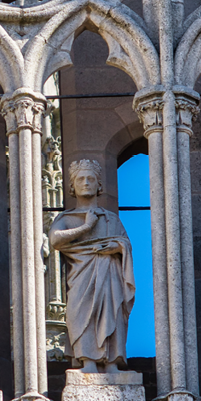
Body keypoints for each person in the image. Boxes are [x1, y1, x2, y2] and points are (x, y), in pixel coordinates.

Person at [48, 159, 135, 373]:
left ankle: (112, 362)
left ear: (99, 186)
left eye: (91, 179)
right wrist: (86, 226)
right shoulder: (66, 218)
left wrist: (116, 246)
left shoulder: (111, 219)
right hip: (81, 277)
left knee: (112, 313)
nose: (86, 183)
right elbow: (55, 240)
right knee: (81, 313)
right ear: (72, 186)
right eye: (80, 179)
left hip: (109, 277)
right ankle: (88, 362)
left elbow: (125, 244)